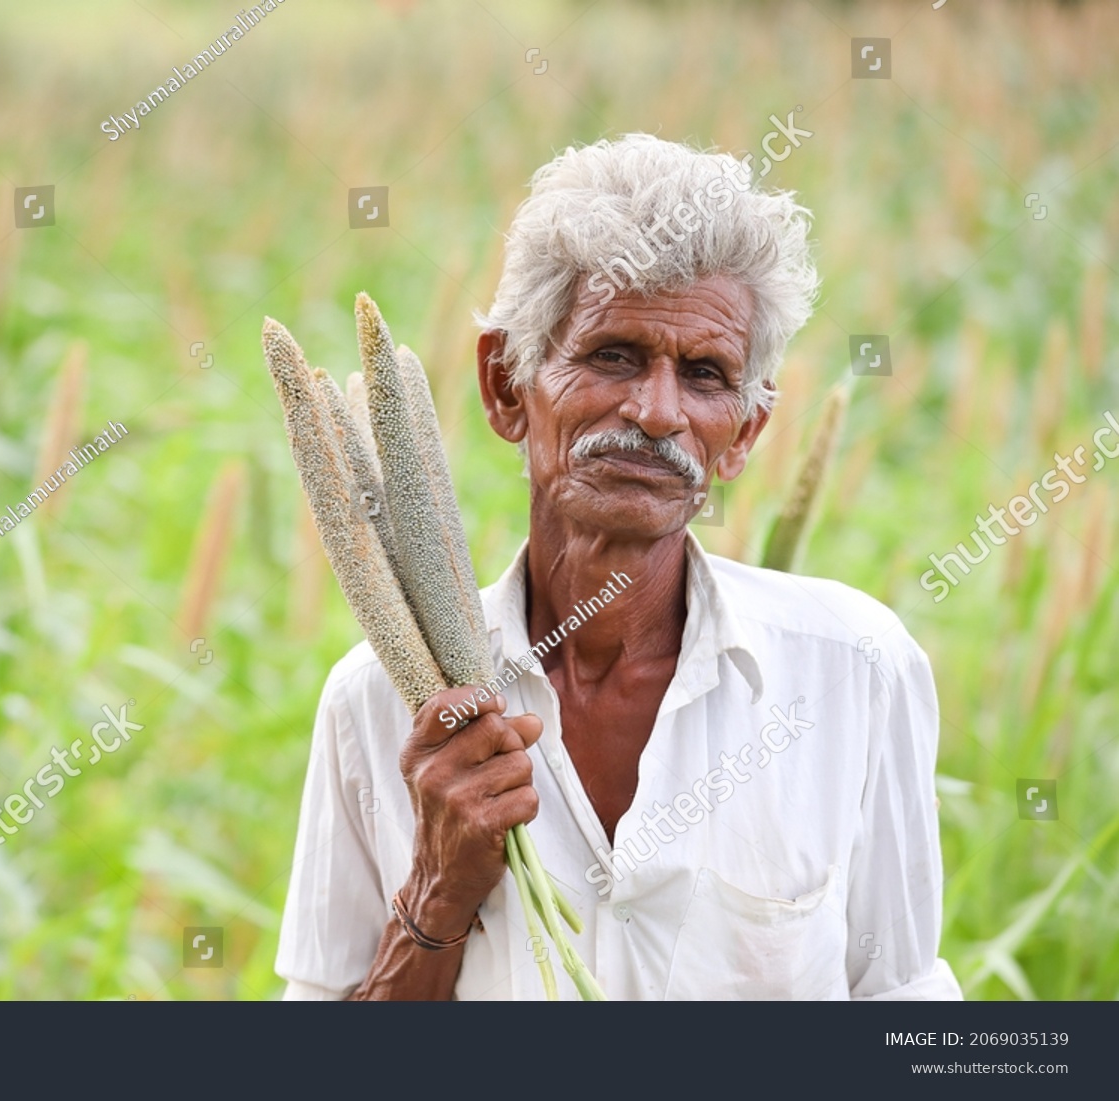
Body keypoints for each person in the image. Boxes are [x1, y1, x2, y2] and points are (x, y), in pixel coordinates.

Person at [276, 134, 960, 1000]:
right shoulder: (378, 704)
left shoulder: (855, 670)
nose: (657, 411)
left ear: (745, 432)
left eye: (706, 374)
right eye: (613, 356)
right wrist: (439, 893)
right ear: (505, 384)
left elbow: (904, 1008)